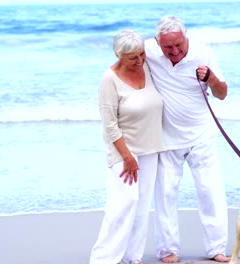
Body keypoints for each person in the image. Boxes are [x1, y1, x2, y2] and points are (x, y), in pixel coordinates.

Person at [144, 15, 230, 263]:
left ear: (186, 38)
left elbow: (222, 94)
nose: (174, 51)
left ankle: (216, 249)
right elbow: (125, 58)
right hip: (166, 137)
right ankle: (168, 250)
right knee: (165, 194)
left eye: (178, 45)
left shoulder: (203, 53)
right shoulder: (149, 50)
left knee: (209, 191)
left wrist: (211, 78)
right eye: (168, 47)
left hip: (201, 135)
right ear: (158, 43)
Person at [89, 29, 165, 264]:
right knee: (123, 204)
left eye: (142, 54)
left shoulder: (148, 68)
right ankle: (103, 259)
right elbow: (110, 125)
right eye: (133, 58)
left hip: (151, 147)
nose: (140, 61)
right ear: (119, 55)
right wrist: (128, 157)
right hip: (124, 152)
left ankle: (132, 256)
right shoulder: (109, 79)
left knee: (142, 205)